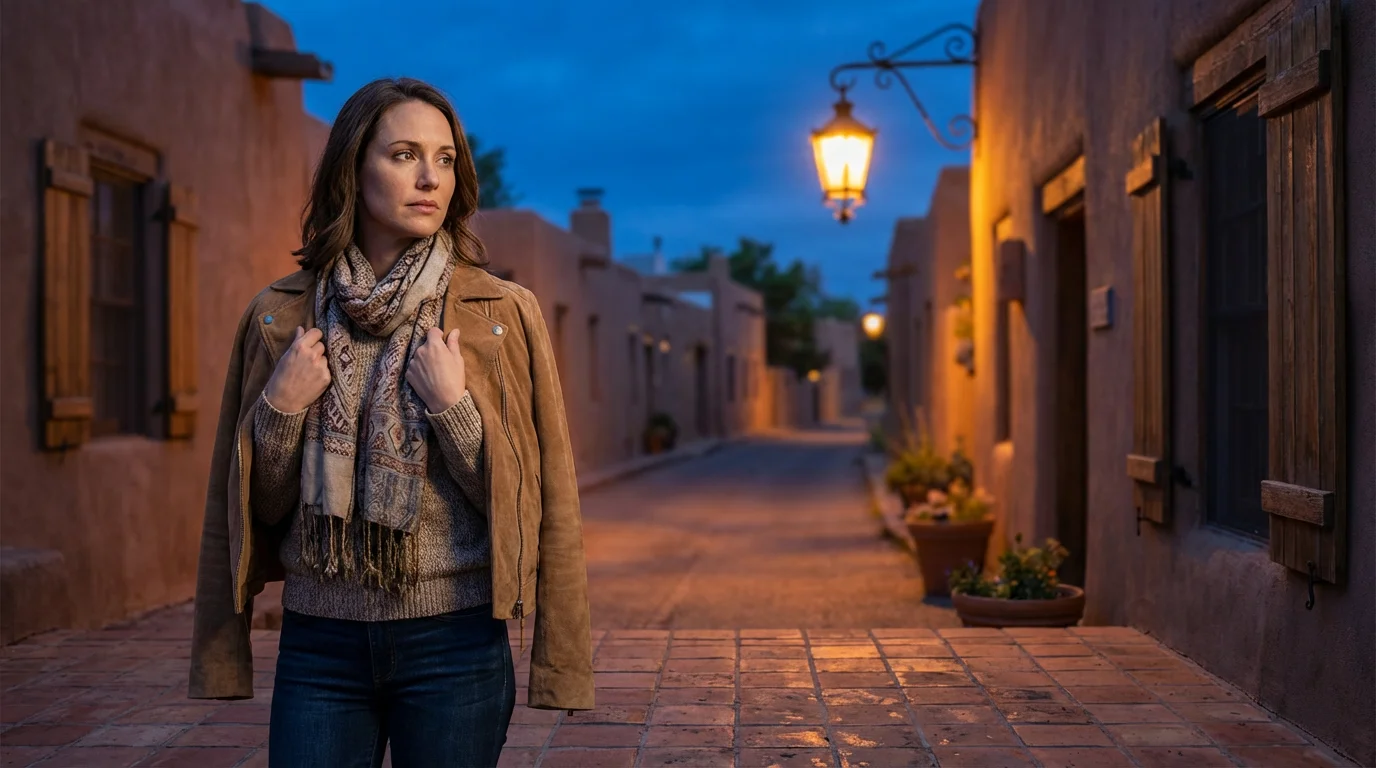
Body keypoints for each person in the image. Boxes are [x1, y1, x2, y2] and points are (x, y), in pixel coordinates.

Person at [186, 77, 594, 768]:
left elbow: (535, 498)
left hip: (455, 639)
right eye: (404, 154)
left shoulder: (502, 313)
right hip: (319, 640)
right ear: (354, 166)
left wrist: (451, 408)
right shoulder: (279, 315)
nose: (430, 177)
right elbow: (251, 509)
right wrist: (281, 411)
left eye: (445, 157)